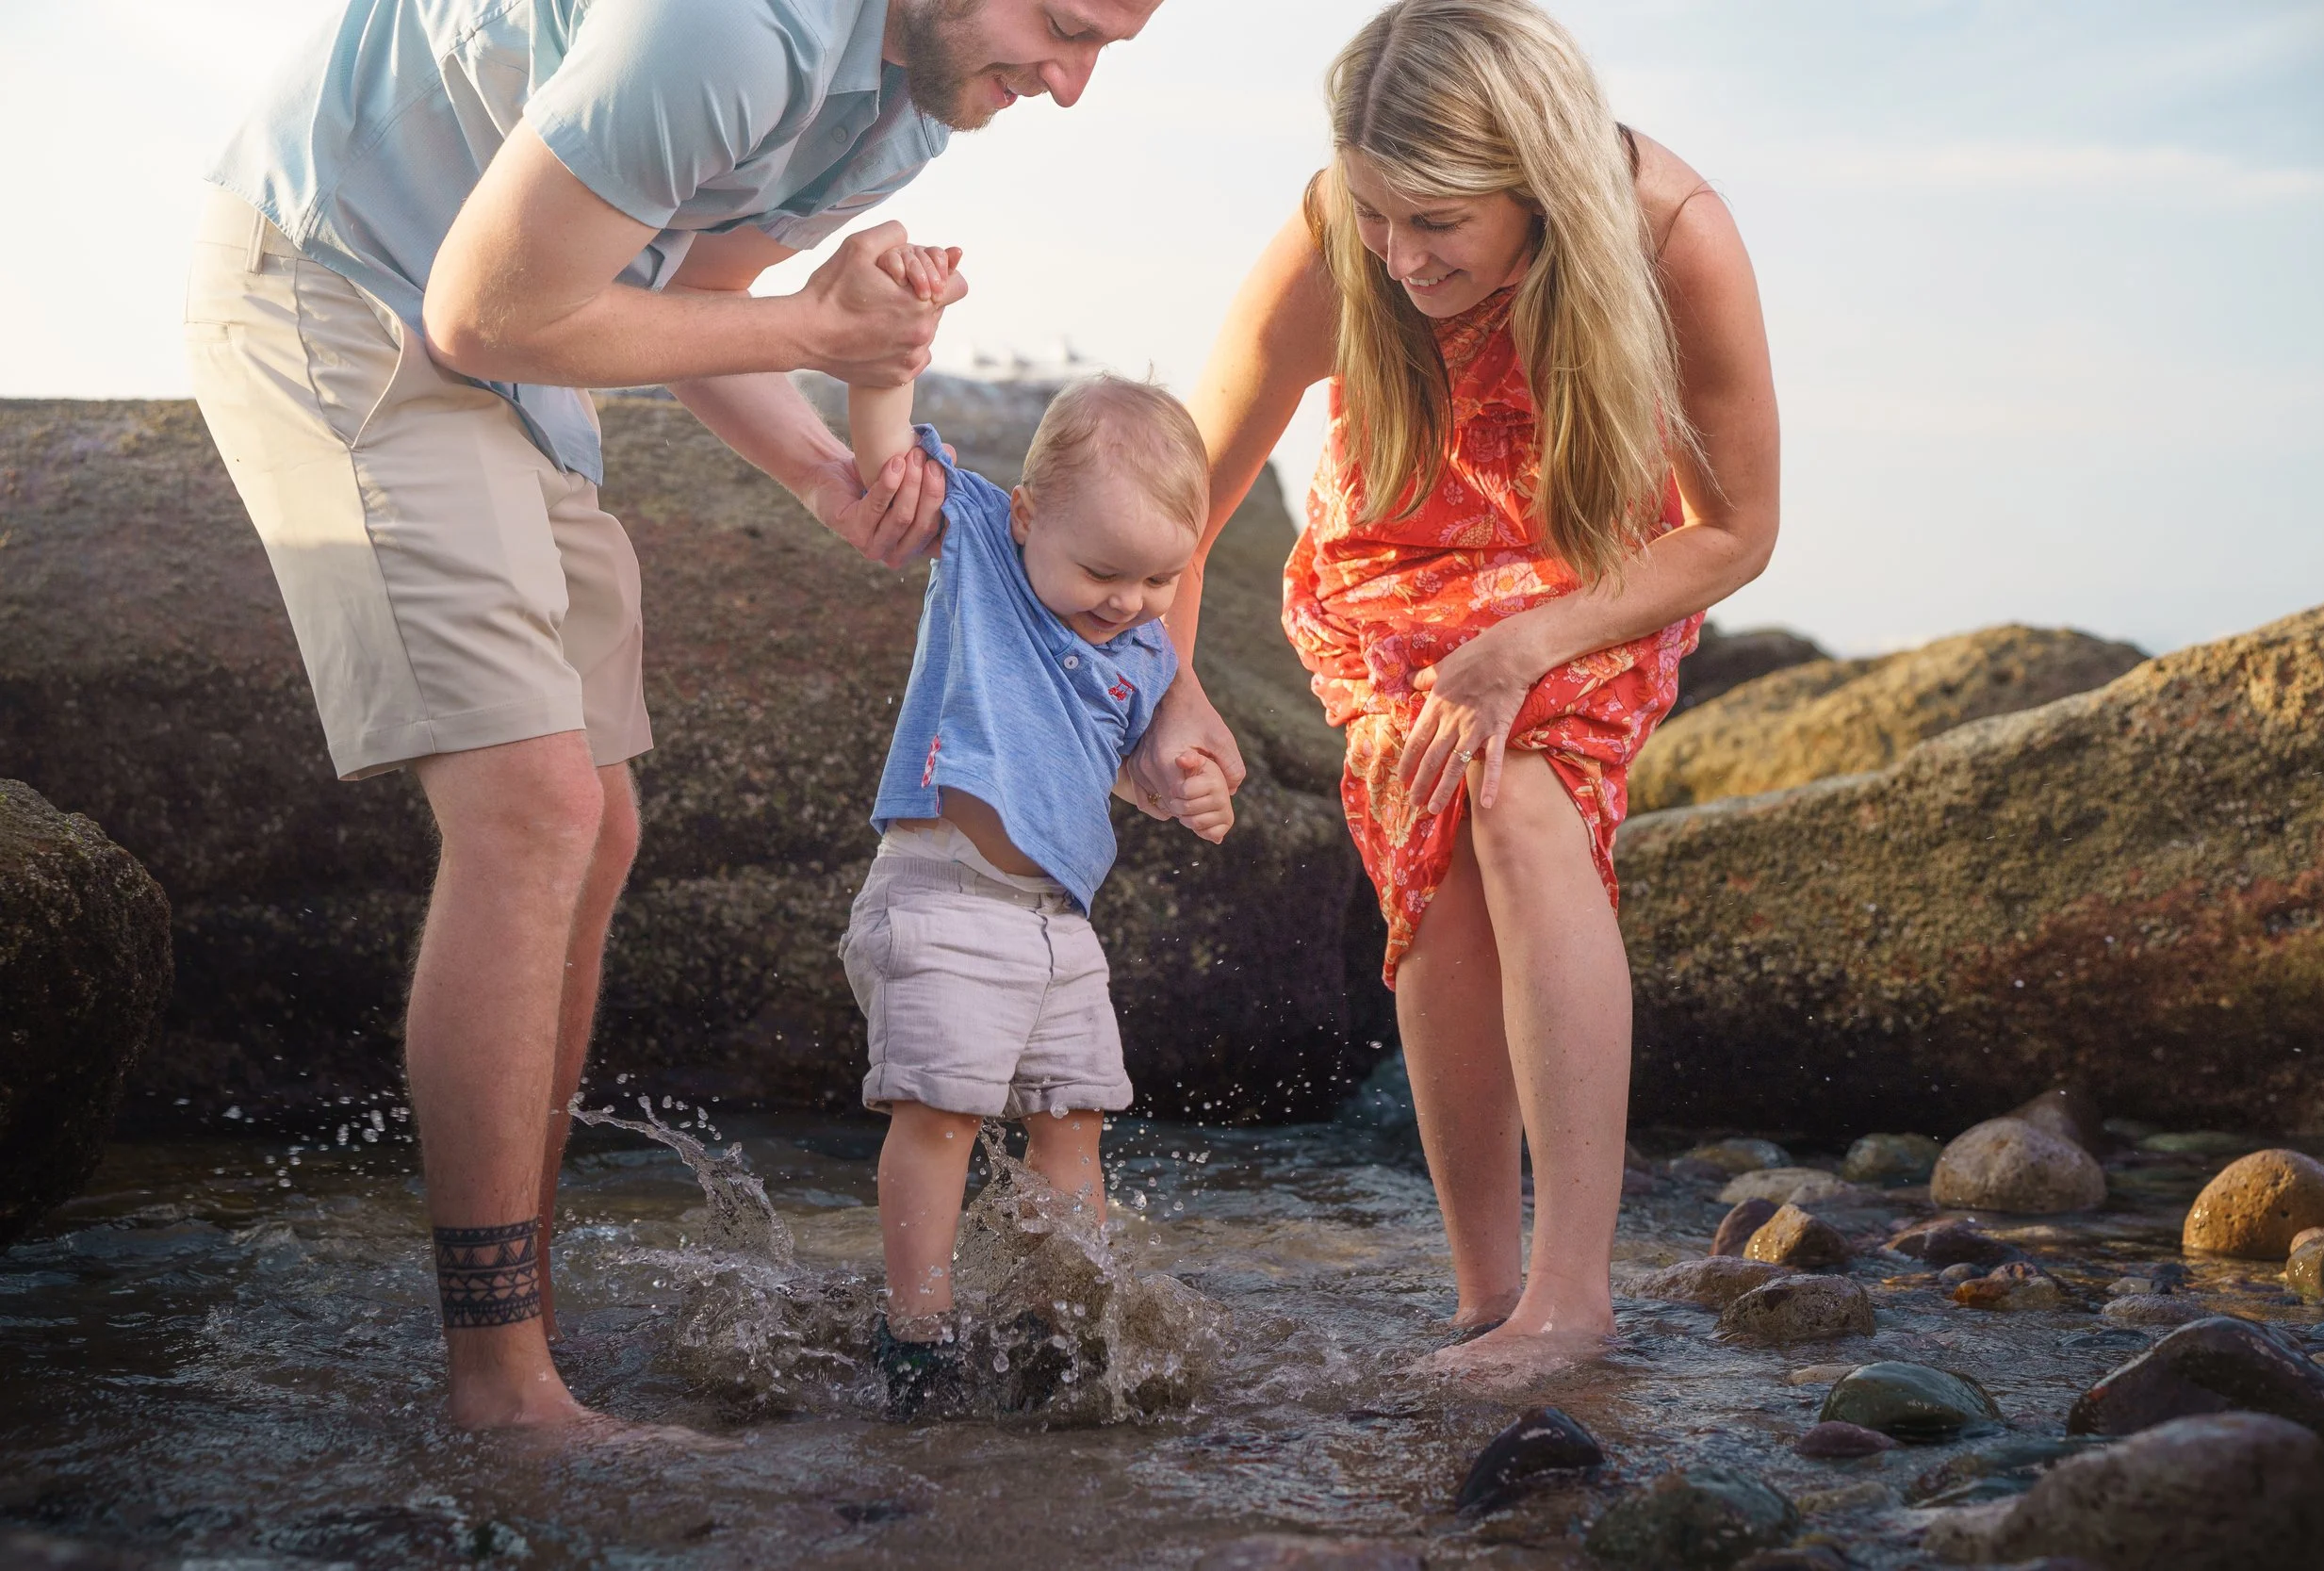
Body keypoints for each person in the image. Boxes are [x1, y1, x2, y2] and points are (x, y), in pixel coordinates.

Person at [183, 0, 1163, 1431]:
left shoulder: (904, 99)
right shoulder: (735, 22)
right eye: (1064, 25)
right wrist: (822, 323)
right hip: (349, 281)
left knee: (601, 819)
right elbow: (481, 306)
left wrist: (828, 469)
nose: (1069, 84)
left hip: (516, 348)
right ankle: (501, 1382)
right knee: (533, 806)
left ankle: (526, 1316)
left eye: (1108, 51)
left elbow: (690, 308)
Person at [1132, 0, 1781, 1380]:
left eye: (1436, 220)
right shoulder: (1341, 237)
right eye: (1377, 212)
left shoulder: (1675, 236)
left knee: (1520, 798)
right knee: (1429, 823)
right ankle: (1488, 1298)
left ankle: (1572, 1300)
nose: (1398, 254)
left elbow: (1735, 530)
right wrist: (1169, 687)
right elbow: (1189, 491)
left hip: (1593, 566)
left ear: (1537, 183)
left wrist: (1530, 641)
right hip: (1400, 556)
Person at [834, 241, 1234, 1417]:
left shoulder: (1140, 646)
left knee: (1075, 1123)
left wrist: (1189, 784)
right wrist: (892, 341)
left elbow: (1140, 772)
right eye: (1104, 569)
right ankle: (915, 1329)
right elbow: (884, 450)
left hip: (1061, 925)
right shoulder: (982, 564)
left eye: (1158, 580)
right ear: (1023, 517)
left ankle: (1064, 1320)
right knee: (943, 1113)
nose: (1128, 602)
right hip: (947, 894)